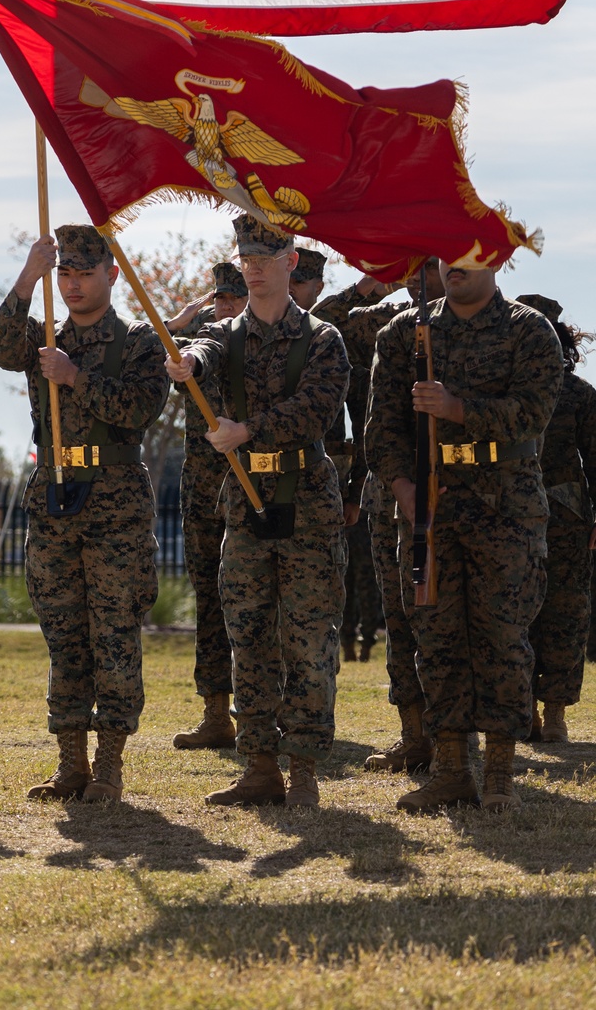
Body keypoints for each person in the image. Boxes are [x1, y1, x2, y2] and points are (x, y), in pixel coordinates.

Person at [366, 260, 564, 812]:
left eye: (468, 254)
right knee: (438, 638)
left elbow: (532, 412)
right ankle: (451, 768)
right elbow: (380, 428)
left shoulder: (528, 329)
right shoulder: (406, 333)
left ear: (497, 259)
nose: (453, 266)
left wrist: (457, 409)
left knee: (503, 638)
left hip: (507, 505)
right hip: (433, 507)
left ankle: (499, 774)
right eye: (445, 255)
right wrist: (405, 490)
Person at [167, 216, 350, 809]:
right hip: (243, 506)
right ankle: (259, 766)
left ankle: (303, 769)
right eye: (245, 256)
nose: (253, 266)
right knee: (248, 637)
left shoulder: (322, 340)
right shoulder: (226, 338)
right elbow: (203, 349)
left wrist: (249, 429)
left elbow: (316, 410)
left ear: (290, 261)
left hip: (307, 505)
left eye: (265, 257)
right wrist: (187, 362)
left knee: (307, 639)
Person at [0, 223, 169, 803]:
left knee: (114, 634)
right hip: (55, 497)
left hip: (114, 500)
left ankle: (109, 764)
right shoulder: (44, 338)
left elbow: (140, 408)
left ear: (111, 274)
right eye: (64, 272)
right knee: (64, 635)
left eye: (84, 272)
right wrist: (26, 277)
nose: (72, 283)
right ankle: (70, 763)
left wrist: (76, 377)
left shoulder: (138, 341)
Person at [336, 260, 446, 774]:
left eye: (428, 262)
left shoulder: (475, 320)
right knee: (400, 617)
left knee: (445, 619)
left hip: (455, 492)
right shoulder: (388, 319)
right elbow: (324, 317)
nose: (415, 271)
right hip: (389, 492)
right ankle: (414, 734)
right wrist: (370, 280)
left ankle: (454, 738)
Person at [166, 260, 247, 750]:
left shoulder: (266, 342)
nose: (226, 308)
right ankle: (215, 713)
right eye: (220, 300)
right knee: (210, 600)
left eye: (233, 299)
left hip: (254, 483)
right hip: (203, 487)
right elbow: (159, 362)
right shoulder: (201, 346)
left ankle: (266, 713)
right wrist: (177, 325)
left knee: (261, 601)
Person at [516, 295, 596, 744]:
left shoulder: (579, 393)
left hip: (563, 516)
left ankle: (556, 714)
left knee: (563, 613)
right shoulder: (504, 392)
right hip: (513, 512)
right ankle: (526, 711)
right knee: (519, 614)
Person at [300, 250, 382, 664]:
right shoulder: (251, 333)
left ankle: (343, 650)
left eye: (301, 285)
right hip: (268, 478)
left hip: (327, 481)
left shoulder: (338, 334)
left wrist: (355, 492)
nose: (294, 294)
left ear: (317, 286)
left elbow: (366, 422)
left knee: (332, 580)